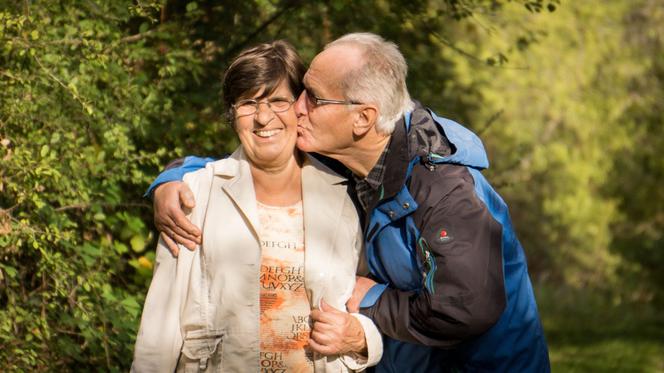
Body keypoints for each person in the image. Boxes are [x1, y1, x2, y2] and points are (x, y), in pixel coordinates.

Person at [150, 33, 551, 372]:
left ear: (362, 118)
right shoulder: (346, 152)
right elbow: (253, 158)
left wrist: (372, 301)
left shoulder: (445, 191)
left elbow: (465, 309)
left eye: (315, 98)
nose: (298, 106)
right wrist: (173, 177)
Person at [132, 40, 383, 372]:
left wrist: (363, 336)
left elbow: (374, 299)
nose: (264, 118)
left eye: (278, 100)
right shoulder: (195, 194)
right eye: (248, 103)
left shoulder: (348, 195)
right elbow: (159, 331)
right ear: (233, 113)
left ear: (302, 106)